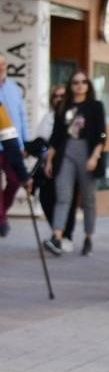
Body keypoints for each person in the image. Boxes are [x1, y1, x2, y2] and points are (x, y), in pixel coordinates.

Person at [42, 69, 106, 256]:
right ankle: (57, 236)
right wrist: (49, 160)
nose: (80, 86)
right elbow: (56, 136)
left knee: (88, 200)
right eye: (76, 83)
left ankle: (88, 237)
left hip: (87, 152)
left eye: (83, 82)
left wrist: (95, 156)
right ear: (71, 86)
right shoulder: (64, 105)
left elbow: (102, 134)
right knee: (63, 196)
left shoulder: (95, 106)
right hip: (66, 152)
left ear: (88, 85)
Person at [27, 85, 75, 244]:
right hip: (49, 165)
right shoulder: (48, 118)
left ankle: (64, 235)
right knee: (46, 198)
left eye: (62, 95)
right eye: (56, 96)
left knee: (66, 199)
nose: (59, 99)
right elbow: (40, 140)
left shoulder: (73, 116)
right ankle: (57, 232)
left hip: (67, 163)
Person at [0, 50, 29, 237]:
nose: (1, 67)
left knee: (15, 180)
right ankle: (1, 219)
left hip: (10, 144)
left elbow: (21, 116)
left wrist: (24, 142)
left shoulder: (13, 88)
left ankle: (1, 214)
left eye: (3, 63)